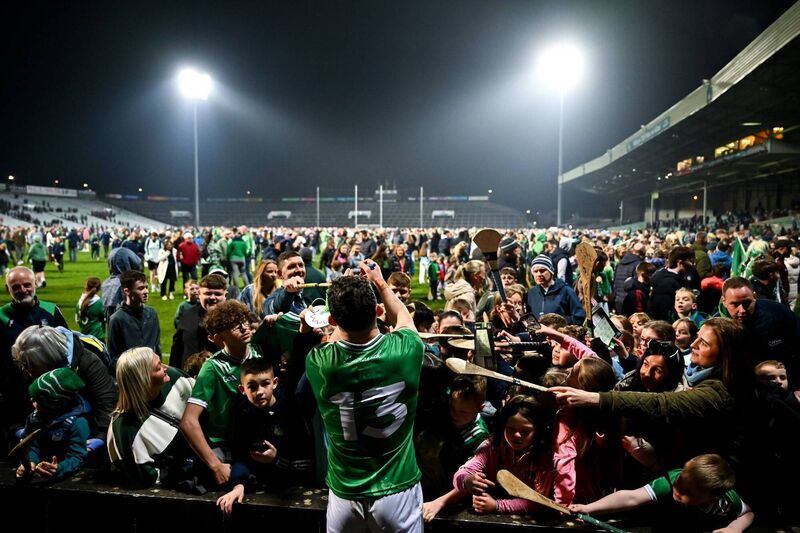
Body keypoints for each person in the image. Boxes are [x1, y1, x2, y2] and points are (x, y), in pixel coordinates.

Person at [305, 260, 424, 532]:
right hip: (397, 490)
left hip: (345, 494)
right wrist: (380, 283)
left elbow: (336, 338)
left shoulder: (319, 362)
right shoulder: (406, 350)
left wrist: (341, 292)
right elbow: (403, 317)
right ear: (378, 310)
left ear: (332, 320)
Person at [215, 357, 314, 515]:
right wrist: (239, 484)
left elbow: (306, 462)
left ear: (274, 383)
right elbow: (239, 454)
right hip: (256, 485)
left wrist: (276, 459)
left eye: (265, 384)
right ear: (242, 390)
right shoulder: (241, 412)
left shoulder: (292, 411)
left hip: (292, 487)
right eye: (252, 387)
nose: (259, 392)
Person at [180, 300, 262, 488]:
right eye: (234, 326)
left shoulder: (259, 351)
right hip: (226, 447)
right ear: (216, 338)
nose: (244, 327)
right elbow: (188, 422)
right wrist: (216, 465)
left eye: (244, 320)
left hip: (256, 440)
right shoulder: (212, 368)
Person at [569, 454, 754, 533]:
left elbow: (748, 513)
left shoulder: (725, 502)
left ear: (710, 497)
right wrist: (588, 508)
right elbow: (632, 497)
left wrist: (734, 528)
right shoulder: (672, 479)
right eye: (680, 482)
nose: (678, 489)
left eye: (687, 491)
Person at [452, 395, 558, 514]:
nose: (517, 435)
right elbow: (462, 473)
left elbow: (540, 501)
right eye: (511, 429)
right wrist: (467, 481)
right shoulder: (492, 447)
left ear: (537, 430)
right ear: (503, 426)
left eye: (525, 431)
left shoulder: (545, 456)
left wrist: (498, 506)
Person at [107, 347, 194, 487]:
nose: (166, 367)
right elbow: (142, 476)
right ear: (144, 379)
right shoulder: (125, 429)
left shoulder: (174, 377)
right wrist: (178, 471)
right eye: (158, 367)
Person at [419, 375, 489, 522]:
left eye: (463, 412)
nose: (454, 414)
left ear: (480, 407)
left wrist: (440, 502)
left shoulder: (479, 437)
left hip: (448, 495)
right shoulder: (449, 405)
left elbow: (470, 481)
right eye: (452, 407)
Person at [15, 367, 91, 481]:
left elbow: (77, 457)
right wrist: (30, 462)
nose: (31, 400)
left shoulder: (77, 423)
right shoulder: (35, 418)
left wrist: (59, 468)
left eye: (37, 400)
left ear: (53, 404)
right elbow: (31, 445)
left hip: (68, 477)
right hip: (40, 473)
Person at [170, 273, 227, 371]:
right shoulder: (187, 316)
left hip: (223, 378)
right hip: (189, 378)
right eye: (208, 293)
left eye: (217, 294)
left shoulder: (233, 319)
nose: (213, 297)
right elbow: (177, 350)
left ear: (225, 295)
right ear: (199, 294)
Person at [107, 270, 161, 369]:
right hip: (132, 377)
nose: (146, 291)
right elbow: (113, 357)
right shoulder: (117, 319)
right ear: (127, 291)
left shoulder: (152, 314)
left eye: (146, 287)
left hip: (152, 374)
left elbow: (157, 346)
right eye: (140, 288)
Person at [526, 255, 586, 325]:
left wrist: (557, 323)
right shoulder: (531, 293)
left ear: (551, 271)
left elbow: (579, 318)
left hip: (561, 334)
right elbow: (528, 317)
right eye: (535, 271)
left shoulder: (566, 291)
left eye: (542, 271)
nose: (539, 274)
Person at [264, 251, 307, 315]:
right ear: (279, 274)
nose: (299, 270)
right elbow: (274, 308)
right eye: (291, 267)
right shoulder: (272, 299)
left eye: (301, 265)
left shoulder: (302, 295)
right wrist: (288, 292)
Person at [76, 276, 105, 342]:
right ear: (99, 288)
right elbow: (105, 318)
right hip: (97, 337)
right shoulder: (99, 303)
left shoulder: (79, 303)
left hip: (84, 337)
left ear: (86, 287)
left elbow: (78, 320)